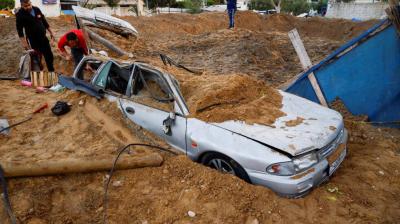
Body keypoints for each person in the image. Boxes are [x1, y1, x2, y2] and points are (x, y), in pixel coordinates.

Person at [16, 0, 55, 72]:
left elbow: (44, 21)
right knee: (36, 58)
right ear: (21, 5)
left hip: (43, 38)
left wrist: (51, 32)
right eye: (25, 6)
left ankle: (51, 71)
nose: (28, 7)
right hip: (33, 41)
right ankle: (38, 73)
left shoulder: (36, 9)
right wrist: (25, 44)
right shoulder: (20, 14)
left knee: (49, 56)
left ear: (30, 2)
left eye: (29, 5)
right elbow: (20, 31)